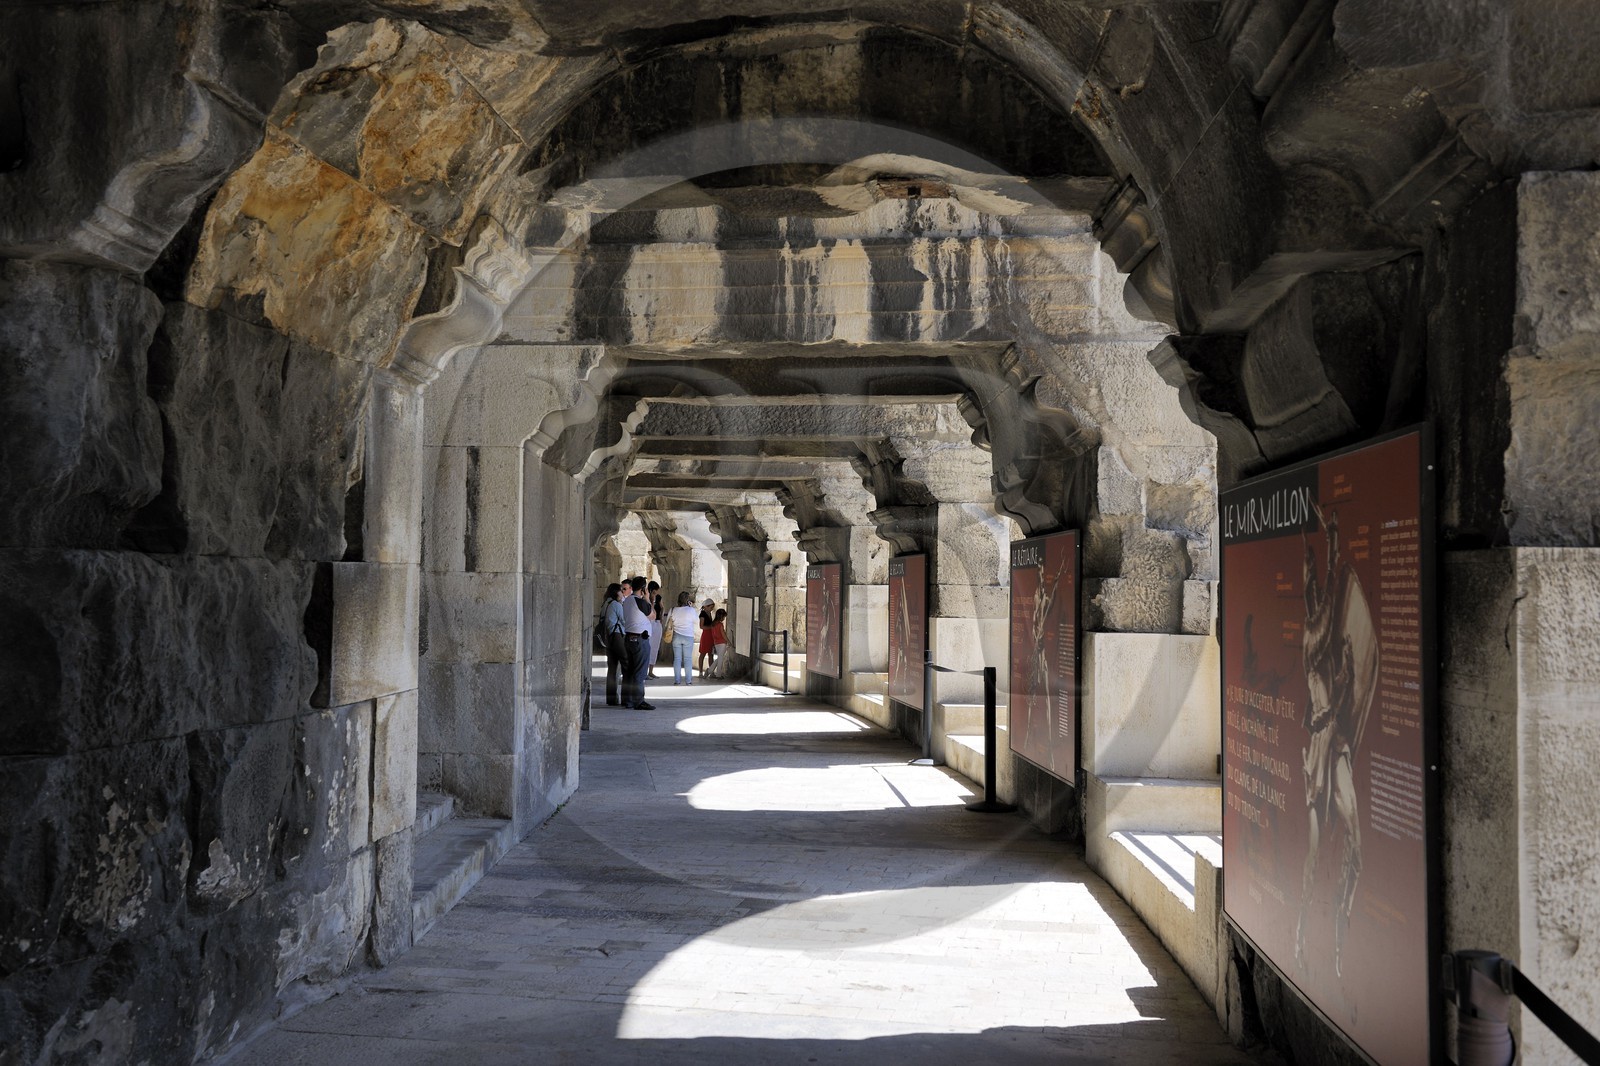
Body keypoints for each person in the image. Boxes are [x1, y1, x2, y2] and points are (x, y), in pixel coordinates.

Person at [619, 576, 655, 710]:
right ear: (643, 589)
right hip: (640, 640)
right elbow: (653, 615)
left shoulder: (627, 600)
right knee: (640, 672)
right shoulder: (639, 601)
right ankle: (639, 701)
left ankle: (627, 701)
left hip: (628, 638)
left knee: (628, 672)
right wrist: (647, 598)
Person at [601, 582, 627, 706]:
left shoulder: (606, 603)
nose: (622, 593)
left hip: (608, 637)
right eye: (621, 591)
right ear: (616, 592)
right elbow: (624, 620)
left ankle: (611, 699)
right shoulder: (616, 604)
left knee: (612, 669)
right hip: (617, 636)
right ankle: (627, 698)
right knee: (626, 665)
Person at [668, 592, 699, 685]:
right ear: (688, 600)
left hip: (677, 636)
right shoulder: (691, 610)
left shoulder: (673, 610)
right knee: (688, 659)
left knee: (677, 659)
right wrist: (691, 607)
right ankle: (688, 681)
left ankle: (677, 680)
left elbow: (668, 622)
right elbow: (696, 621)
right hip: (688, 636)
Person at [646, 580, 664, 679]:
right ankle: (644, 671)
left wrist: (661, 617)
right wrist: (651, 601)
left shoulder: (659, 598)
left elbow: (662, 608)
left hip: (656, 623)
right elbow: (649, 611)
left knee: (655, 647)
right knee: (647, 646)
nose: (655, 594)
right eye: (654, 592)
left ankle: (651, 671)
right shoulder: (646, 598)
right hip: (648, 623)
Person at [706, 608, 730, 679]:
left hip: (716, 643)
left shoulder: (713, 624)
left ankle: (709, 670)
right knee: (720, 659)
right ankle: (718, 674)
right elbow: (723, 635)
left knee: (719, 658)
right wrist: (729, 641)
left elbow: (713, 635)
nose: (724, 618)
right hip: (722, 643)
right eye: (724, 617)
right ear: (721, 616)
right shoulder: (720, 625)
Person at [696, 598, 716, 677]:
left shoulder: (709, 613)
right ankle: (700, 672)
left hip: (711, 635)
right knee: (703, 654)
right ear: (706, 606)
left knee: (711, 654)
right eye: (711, 607)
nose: (712, 609)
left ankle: (711, 672)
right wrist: (711, 627)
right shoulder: (703, 614)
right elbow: (701, 626)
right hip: (706, 635)